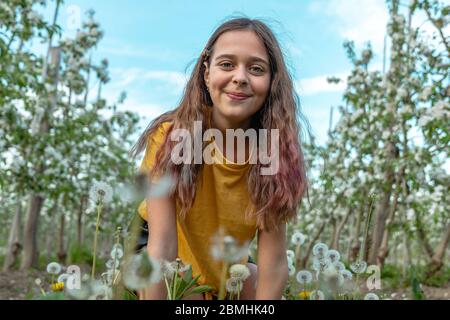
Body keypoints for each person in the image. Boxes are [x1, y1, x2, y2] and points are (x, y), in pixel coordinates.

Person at [130, 17, 308, 300]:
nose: (240, 77)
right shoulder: (171, 136)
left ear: (272, 81)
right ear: (206, 73)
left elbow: (273, 263)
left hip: (226, 266)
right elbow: (161, 247)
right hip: (163, 258)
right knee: (187, 298)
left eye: (256, 68)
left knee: (263, 288)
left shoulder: (273, 155)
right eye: (227, 64)